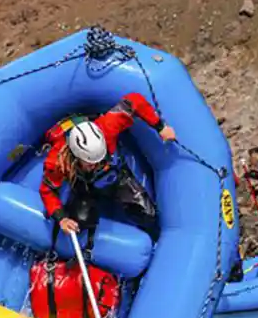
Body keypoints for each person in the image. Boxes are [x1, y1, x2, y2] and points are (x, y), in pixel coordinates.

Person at [39, 93, 176, 248]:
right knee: (81, 221)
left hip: (116, 173)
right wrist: (62, 218)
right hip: (84, 185)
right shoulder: (58, 161)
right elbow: (47, 190)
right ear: (75, 156)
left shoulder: (107, 126)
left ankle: (157, 239)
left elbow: (134, 101)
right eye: (91, 163)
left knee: (147, 214)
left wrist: (160, 127)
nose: (96, 164)